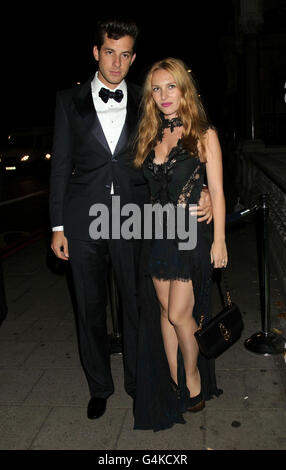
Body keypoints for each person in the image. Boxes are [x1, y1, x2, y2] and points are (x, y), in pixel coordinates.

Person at [50, 18, 213, 422]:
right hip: (84, 220)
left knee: (138, 305)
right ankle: (99, 388)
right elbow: (60, 167)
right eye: (110, 52)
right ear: (96, 53)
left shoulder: (147, 99)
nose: (117, 62)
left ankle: (140, 382)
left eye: (125, 55)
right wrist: (57, 227)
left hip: (135, 220)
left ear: (133, 57)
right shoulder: (68, 102)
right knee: (89, 307)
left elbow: (178, 154)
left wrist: (203, 190)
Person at [133, 58, 225, 431]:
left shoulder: (202, 133)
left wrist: (219, 239)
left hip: (190, 236)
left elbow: (217, 190)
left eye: (171, 86)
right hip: (156, 235)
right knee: (164, 314)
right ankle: (175, 383)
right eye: (156, 89)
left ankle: (193, 378)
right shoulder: (151, 134)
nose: (163, 95)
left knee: (178, 315)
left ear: (184, 88)